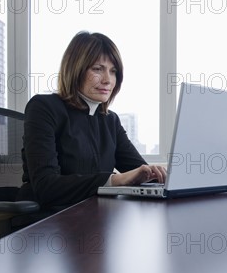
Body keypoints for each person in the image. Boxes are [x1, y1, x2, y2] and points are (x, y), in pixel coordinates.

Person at [19, 31, 166, 210]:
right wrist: (115, 180)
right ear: (75, 69)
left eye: (113, 72)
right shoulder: (43, 107)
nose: (107, 80)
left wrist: (157, 176)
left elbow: (140, 171)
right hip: (47, 220)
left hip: (96, 217)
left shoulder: (110, 120)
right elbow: (46, 186)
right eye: (97, 69)